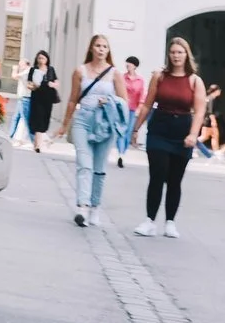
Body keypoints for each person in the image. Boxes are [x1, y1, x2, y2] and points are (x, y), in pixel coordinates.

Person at [131, 36, 205, 237]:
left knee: (174, 179)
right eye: (173, 52)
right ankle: (149, 220)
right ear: (169, 54)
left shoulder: (194, 80)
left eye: (180, 52)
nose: (176, 56)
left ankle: (170, 222)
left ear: (186, 55)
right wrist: (136, 128)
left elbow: (199, 111)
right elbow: (147, 104)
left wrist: (192, 134)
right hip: (159, 129)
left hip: (182, 131)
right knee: (157, 174)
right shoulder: (160, 77)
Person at [58, 34, 129, 227]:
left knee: (99, 168)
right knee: (84, 164)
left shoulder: (115, 73)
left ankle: (95, 207)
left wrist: (110, 101)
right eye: (98, 46)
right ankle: (82, 206)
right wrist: (65, 124)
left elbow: (124, 102)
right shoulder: (80, 71)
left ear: (108, 50)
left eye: (104, 46)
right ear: (91, 48)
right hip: (84, 120)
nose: (101, 49)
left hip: (106, 123)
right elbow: (73, 99)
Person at [20, 50, 59, 151]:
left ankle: (37, 143)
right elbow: (28, 83)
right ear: (37, 59)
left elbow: (56, 82)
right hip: (37, 96)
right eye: (39, 58)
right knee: (38, 119)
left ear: (47, 59)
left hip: (48, 97)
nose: (41, 60)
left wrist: (52, 84)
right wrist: (32, 86)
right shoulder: (33, 70)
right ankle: (37, 145)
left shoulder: (51, 69)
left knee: (45, 119)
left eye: (43, 58)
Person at [117, 57, 146, 166]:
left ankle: (122, 153)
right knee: (121, 131)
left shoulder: (140, 80)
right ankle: (120, 153)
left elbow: (142, 96)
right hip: (122, 108)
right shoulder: (122, 77)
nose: (127, 65)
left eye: (129, 63)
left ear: (135, 66)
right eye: (127, 63)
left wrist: (139, 109)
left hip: (133, 109)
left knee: (128, 133)